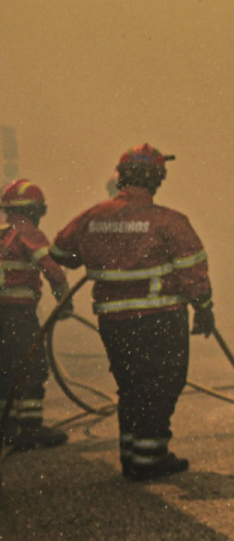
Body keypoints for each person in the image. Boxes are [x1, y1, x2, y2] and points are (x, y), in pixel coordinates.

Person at [52, 144, 214, 479]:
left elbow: (60, 252)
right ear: (157, 179)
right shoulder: (169, 221)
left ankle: (131, 454)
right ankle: (150, 458)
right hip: (160, 318)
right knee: (162, 385)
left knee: (131, 386)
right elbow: (193, 271)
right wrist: (204, 308)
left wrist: (94, 255)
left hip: (113, 321)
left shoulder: (93, 216)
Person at [0, 179, 70, 449]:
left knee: (4, 367)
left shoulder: (3, 231)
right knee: (30, 364)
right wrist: (64, 297)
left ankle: (6, 427)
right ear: (34, 210)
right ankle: (30, 429)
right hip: (18, 314)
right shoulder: (26, 231)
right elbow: (49, 264)